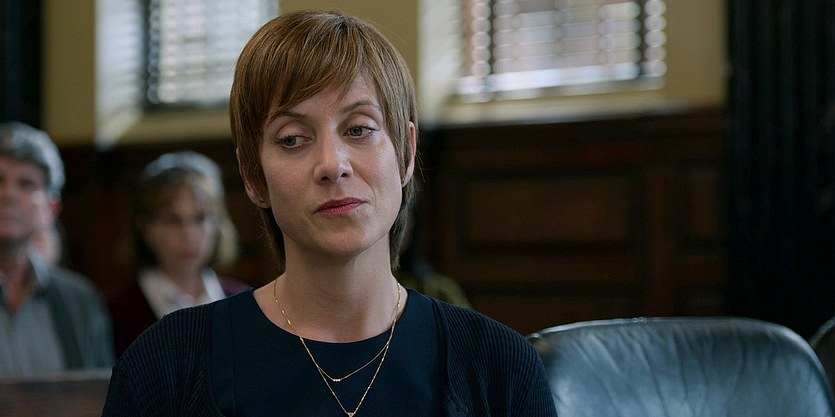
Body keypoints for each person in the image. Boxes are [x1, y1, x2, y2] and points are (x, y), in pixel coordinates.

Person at [102, 10, 556, 416]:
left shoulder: (499, 367)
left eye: (359, 129)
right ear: (254, 176)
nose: (332, 165)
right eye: (292, 139)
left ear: (406, 152)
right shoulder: (166, 367)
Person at [106, 151, 249, 356]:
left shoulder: (243, 302)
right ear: (144, 226)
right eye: (172, 220)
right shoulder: (114, 312)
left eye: (199, 218)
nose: (188, 234)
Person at [0, 121, 114, 375]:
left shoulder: (81, 301)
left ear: (51, 209)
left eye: (26, 184)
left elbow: (101, 392)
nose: (9, 195)